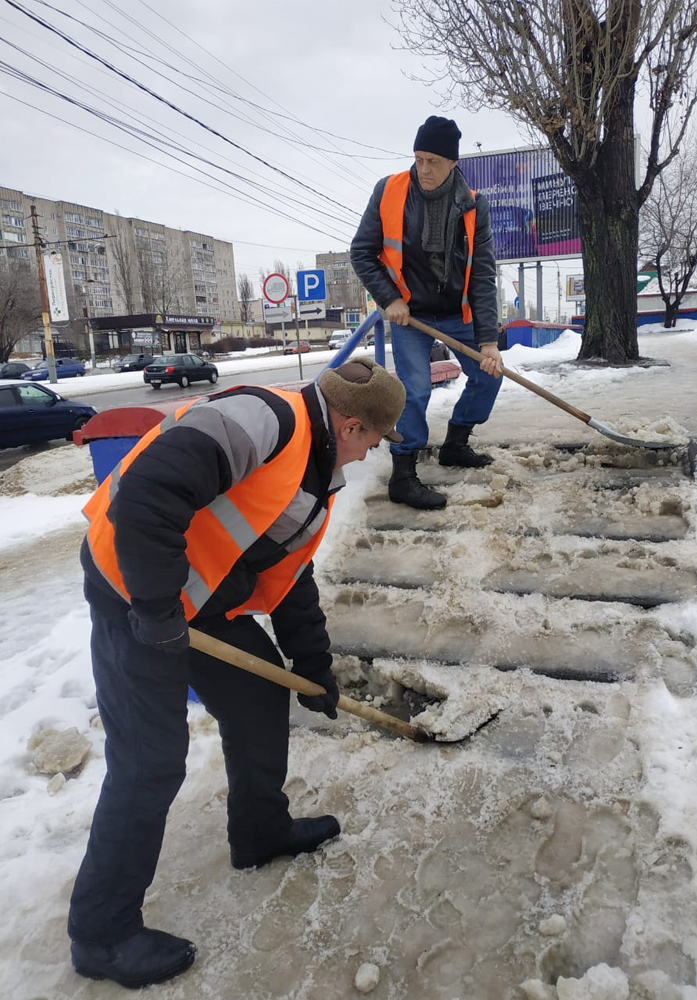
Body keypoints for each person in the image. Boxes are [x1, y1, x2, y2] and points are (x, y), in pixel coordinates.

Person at [67, 358, 406, 989]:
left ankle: (260, 829)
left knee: (257, 695)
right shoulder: (263, 421)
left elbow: (291, 578)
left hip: (195, 599)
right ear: (355, 424)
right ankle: (102, 932)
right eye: (375, 442)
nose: (369, 457)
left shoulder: (315, 469)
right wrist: (156, 608)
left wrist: (314, 668)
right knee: (150, 760)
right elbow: (148, 492)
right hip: (131, 586)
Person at [350, 115, 504, 511]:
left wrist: (488, 341)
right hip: (411, 315)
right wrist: (389, 299)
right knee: (415, 390)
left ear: (453, 162)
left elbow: (483, 276)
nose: (424, 169)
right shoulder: (389, 191)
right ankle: (404, 473)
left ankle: (456, 443)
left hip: (459, 312)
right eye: (418, 158)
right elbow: (361, 253)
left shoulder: (473, 205)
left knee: (488, 376)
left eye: (433, 160)